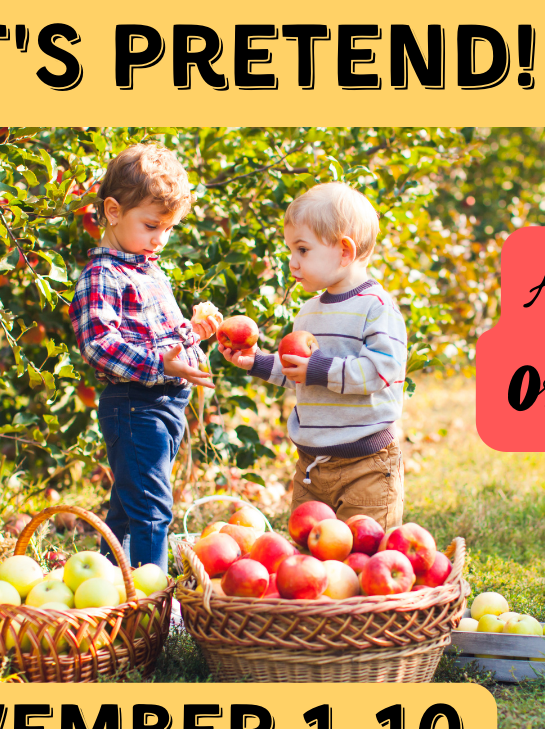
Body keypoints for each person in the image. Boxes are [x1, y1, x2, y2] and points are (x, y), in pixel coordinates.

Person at [69, 143, 221, 571]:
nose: (161, 239)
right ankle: (151, 600)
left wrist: (195, 333)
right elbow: (99, 344)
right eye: (153, 225)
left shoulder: (147, 267)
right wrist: (160, 366)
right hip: (135, 407)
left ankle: (107, 583)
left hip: (165, 407)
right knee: (153, 508)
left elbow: (163, 342)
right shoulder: (103, 275)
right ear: (113, 211)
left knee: (128, 504)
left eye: (169, 229)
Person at [221, 182, 407, 528]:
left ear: (344, 251)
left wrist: (318, 369)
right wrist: (258, 362)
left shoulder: (376, 308)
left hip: (365, 463)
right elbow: (303, 376)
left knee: (364, 560)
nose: (292, 262)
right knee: (308, 560)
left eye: (302, 250)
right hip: (311, 465)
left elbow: (383, 371)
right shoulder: (308, 311)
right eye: (291, 250)